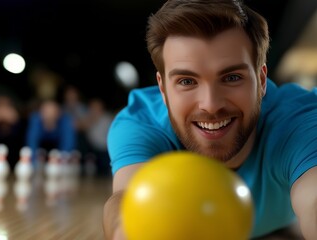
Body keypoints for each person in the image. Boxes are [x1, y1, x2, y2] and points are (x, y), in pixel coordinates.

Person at [103, 0, 317, 239]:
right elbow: (129, 200)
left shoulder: (300, 121)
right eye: (187, 81)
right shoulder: (140, 123)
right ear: (162, 89)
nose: (211, 104)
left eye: (232, 77)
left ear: (262, 81)